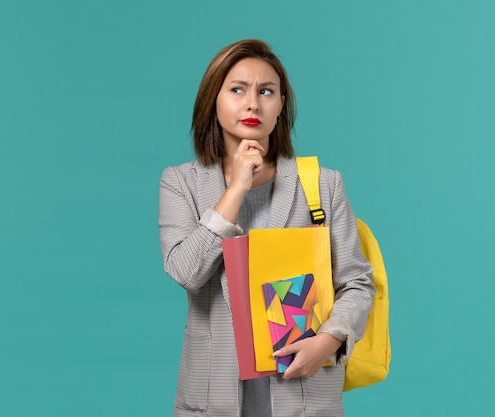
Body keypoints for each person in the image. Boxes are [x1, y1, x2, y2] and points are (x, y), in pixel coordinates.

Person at [158, 39, 375, 417]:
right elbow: (186, 272)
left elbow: (357, 282)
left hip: (304, 396)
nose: (252, 103)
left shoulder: (323, 184)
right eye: (237, 89)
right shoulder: (181, 183)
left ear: (281, 107)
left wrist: (326, 342)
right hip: (213, 399)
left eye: (267, 92)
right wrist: (237, 188)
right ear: (214, 100)